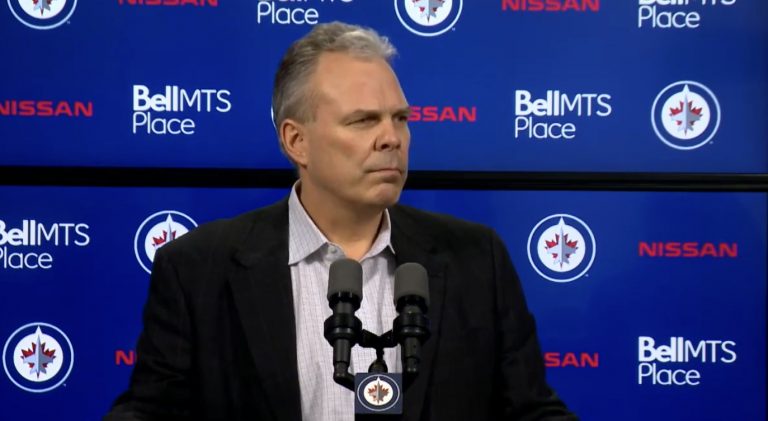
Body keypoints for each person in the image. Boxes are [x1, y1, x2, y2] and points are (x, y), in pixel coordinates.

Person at [105, 22, 577, 421]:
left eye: (400, 118)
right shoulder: (198, 269)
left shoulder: (477, 259)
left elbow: (531, 412)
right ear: (297, 141)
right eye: (363, 121)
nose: (391, 139)